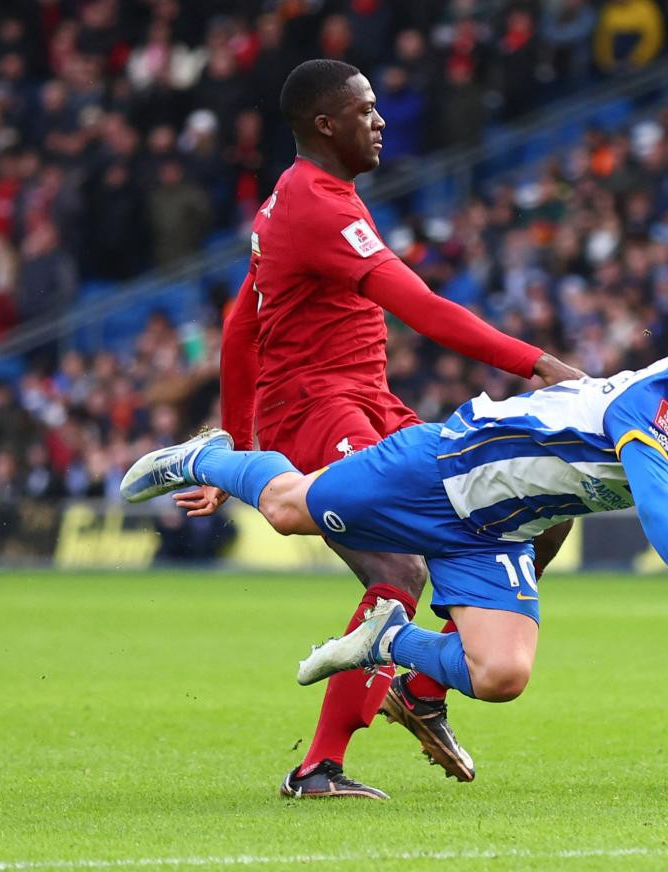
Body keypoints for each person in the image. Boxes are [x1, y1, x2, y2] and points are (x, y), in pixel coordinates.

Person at [123, 323, 668, 774]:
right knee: (286, 509)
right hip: (440, 472)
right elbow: (657, 502)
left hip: (497, 529)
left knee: (502, 674)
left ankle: (388, 643)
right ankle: (208, 456)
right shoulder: (647, 410)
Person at [172, 59, 583, 799]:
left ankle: (424, 687)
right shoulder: (317, 206)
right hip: (317, 411)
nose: (381, 119)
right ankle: (319, 766)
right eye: (365, 109)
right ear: (326, 124)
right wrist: (538, 364)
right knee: (398, 572)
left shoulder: (302, 200)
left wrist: (234, 439)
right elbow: (423, 308)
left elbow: (242, 324)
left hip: (369, 402)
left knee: (530, 500)